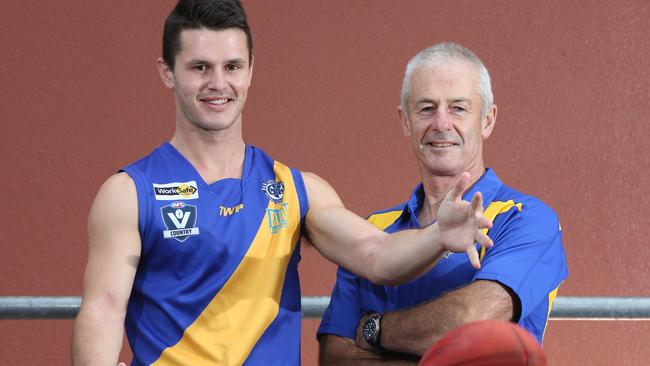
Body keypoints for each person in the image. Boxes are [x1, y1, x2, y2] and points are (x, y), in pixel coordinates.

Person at [71, 2, 494, 365]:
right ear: (168, 72)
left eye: (232, 66)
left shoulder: (295, 190)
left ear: (251, 71)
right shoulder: (129, 192)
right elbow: (104, 309)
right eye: (200, 67)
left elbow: (377, 254)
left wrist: (439, 234)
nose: (218, 83)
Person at [317, 42, 568, 364]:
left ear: (487, 120)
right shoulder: (370, 231)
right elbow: (335, 357)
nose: (441, 123)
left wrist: (375, 329)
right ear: (405, 121)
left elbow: (471, 319)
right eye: (426, 108)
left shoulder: (527, 219)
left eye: (459, 108)